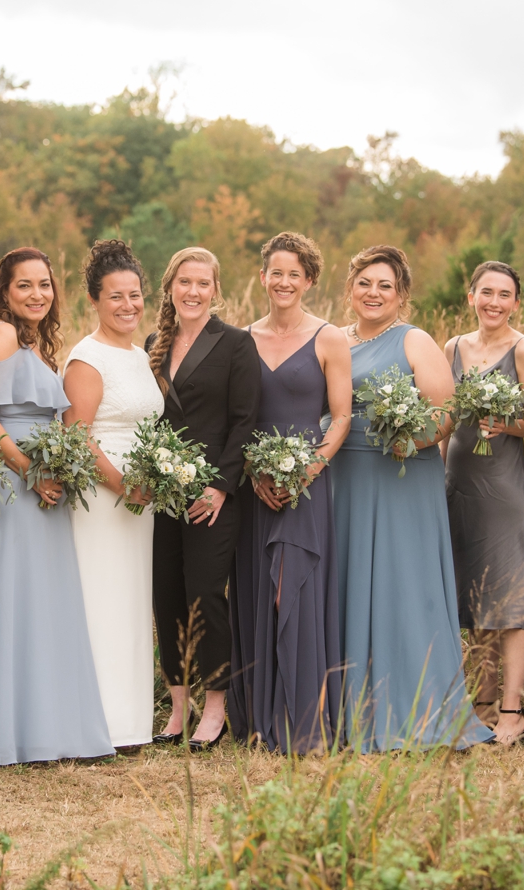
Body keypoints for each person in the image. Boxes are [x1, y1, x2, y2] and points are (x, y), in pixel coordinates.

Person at [0, 247, 113, 764]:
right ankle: (6, 729)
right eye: (25, 285)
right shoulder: (0, 334)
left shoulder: (37, 343)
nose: (37, 294)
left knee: (38, 600)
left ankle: (43, 723)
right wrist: (31, 470)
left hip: (41, 482)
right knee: (11, 598)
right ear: (4, 291)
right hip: (10, 483)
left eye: (44, 285)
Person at [334, 246, 492, 751]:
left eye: (385, 285)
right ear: (350, 288)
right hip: (347, 478)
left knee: (405, 584)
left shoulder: (415, 340)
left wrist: (408, 438)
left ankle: (420, 708)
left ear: (401, 294)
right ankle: (353, 709)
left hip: (403, 474)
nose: (373, 293)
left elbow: (445, 412)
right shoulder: (333, 340)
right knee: (352, 582)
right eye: (365, 283)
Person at [233, 232, 353, 754]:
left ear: (309, 281)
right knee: (260, 591)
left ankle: (304, 719)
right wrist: (255, 472)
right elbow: (234, 420)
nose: (284, 282)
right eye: (275, 272)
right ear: (263, 277)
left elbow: (342, 415)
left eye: (294, 274)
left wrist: (310, 468)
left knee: (293, 588)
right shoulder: (240, 340)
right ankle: (263, 717)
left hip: (307, 483)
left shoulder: (329, 339)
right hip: (255, 484)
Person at [146, 247, 261, 750]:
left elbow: (245, 422)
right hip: (161, 493)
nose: (193, 292)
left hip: (214, 495)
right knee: (166, 596)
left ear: (216, 290)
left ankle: (216, 706)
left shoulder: (236, 344)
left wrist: (220, 487)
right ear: (170, 287)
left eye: (203, 283)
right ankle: (178, 707)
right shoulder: (153, 343)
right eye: (184, 282)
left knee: (205, 596)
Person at [63, 239, 165, 751]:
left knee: (129, 602)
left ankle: (129, 723)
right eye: (116, 297)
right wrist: (126, 486)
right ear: (95, 302)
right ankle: (96, 722)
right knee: (100, 598)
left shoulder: (141, 355)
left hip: (139, 503)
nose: (128, 305)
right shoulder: (86, 358)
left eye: (135, 295)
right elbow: (77, 437)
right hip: (102, 500)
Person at [443, 261, 524, 746]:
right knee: (472, 595)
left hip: (502, 486)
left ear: (516, 303)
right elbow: (443, 420)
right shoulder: (453, 348)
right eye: (486, 292)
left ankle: (511, 710)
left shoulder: (523, 350)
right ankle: (480, 704)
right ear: (471, 296)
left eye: (504, 295)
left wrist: (504, 425)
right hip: (457, 481)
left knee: (506, 597)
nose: (494, 302)